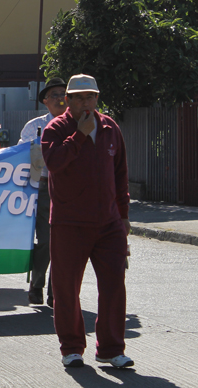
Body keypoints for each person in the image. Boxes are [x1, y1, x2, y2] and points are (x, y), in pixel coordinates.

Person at [41, 74, 132, 369]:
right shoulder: (56, 128)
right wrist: (80, 135)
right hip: (69, 222)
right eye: (78, 98)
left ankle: (110, 349)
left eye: (90, 96)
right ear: (67, 100)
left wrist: (124, 217)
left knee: (114, 286)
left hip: (109, 223)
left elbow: (120, 174)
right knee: (67, 289)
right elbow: (54, 163)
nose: (85, 103)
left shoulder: (110, 127)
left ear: (97, 98)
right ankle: (71, 348)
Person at [18, 77, 67, 307]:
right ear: (45, 101)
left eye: (63, 94)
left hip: (71, 188)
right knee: (47, 240)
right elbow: (22, 155)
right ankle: (37, 284)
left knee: (65, 243)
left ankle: (57, 291)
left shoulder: (79, 123)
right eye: (54, 95)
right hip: (44, 187)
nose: (60, 99)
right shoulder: (34, 126)